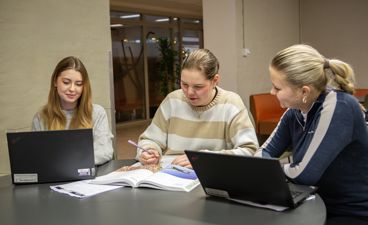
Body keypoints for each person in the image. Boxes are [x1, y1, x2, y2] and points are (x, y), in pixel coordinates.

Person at [255, 44, 368, 224]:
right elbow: (262, 155)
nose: (272, 92)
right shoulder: (295, 110)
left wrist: (274, 168)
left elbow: (305, 174)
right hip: (312, 200)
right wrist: (278, 166)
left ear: (304, 91)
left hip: (348, 211)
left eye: (277, 88)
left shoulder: (340, 107)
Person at [136, 48, 258, 168]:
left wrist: (205, 159)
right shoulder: (172, 101)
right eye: (184, 84)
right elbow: (150, 139)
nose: (189, 92)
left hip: (211, 179)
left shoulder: (231, 104)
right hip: (171, 176)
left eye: (198, 87)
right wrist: (148, 150)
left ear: (215, 81)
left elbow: (250, 151)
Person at [32, 56, 114, 165]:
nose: (72, 89)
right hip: (55, 179)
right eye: (66, 82)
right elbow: (36, 156)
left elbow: (105, 152)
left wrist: (64, 161)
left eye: (78, 84)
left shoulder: (97, 113)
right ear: (55, 82)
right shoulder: (41, 117)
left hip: (89, 178)